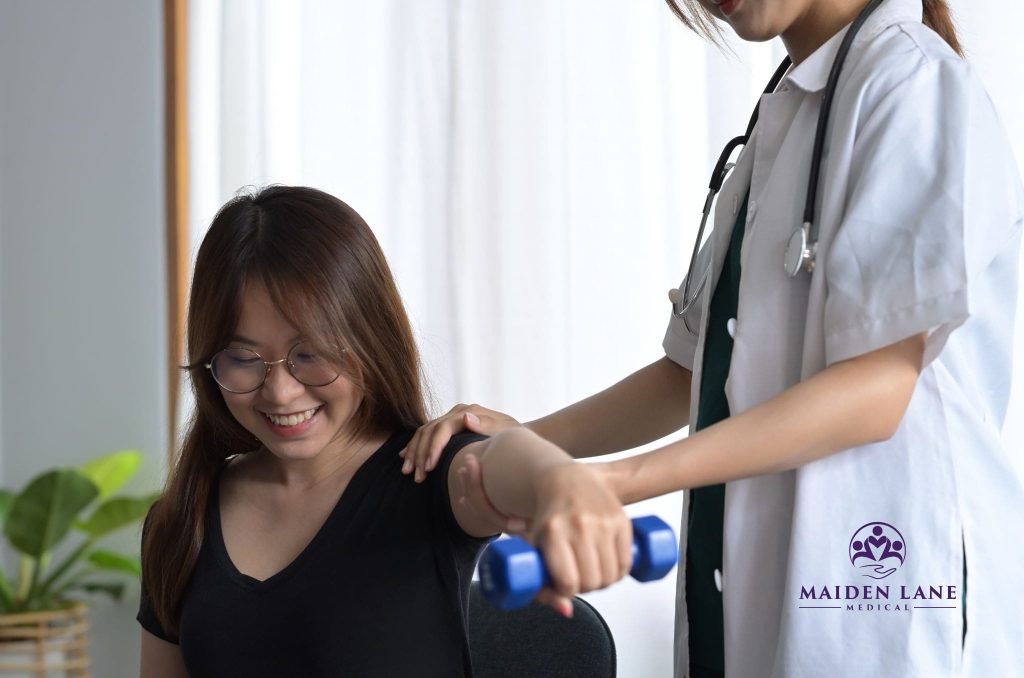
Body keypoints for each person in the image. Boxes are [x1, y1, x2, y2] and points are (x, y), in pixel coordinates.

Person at [401, 0, 1024, 676]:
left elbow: (874, 390)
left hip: (885, 592)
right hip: (761, 588)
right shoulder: (788, 110)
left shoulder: (911, 83)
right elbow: (692, 370)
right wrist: (529, 442)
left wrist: (605, 485)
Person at [136, 185, 634, 678]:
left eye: (311, 354)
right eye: (243, 359)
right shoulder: (181, 518)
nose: (281, 392)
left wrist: (557, 478)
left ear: (368, 339)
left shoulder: (427, 471)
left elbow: (498, 462)